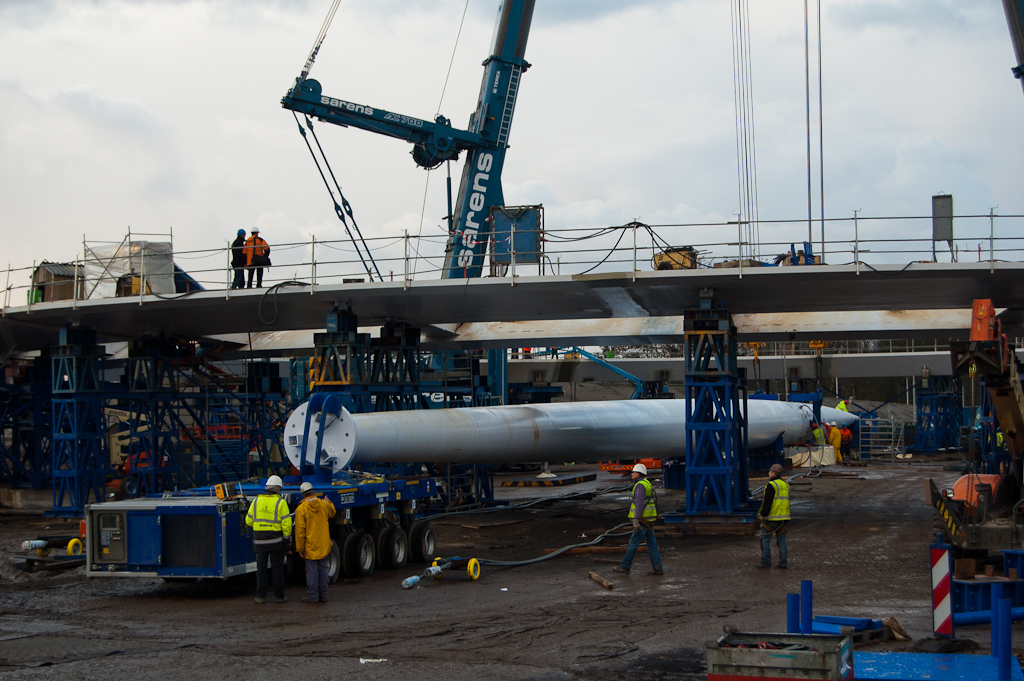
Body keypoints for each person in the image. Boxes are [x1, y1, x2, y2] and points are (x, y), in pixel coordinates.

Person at [246, 475, 292, 603]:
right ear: (277, 489)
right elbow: (287, 525)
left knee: (261, 569)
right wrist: (286, 540)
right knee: (277, 568)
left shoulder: (256, 501)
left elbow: (248, 520)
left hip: (259, 542)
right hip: (276, 541)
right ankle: (279, 596)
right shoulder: (280, 502)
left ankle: (261, 596)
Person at [613, 463, 664, 576]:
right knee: (652, 544)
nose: (632, 474)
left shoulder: (640, 486)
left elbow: (640, 504)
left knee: (633, 542)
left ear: (639, 473)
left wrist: (636, 520)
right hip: (649, 519)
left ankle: (625, 566)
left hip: (643, 520)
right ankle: (658, 568)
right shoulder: (647, 483)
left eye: (634, 472)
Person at [294, 481, 337, 604]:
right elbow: (332, 512)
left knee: (312, 572)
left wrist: (300, 548)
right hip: (323, 543)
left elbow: (300, 532)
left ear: (303, 495)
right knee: (322, 569)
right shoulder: (323, 505)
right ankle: (324, 595)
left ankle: (313, 596)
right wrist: (328, 502)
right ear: (313, 491)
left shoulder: (301, 509)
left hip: (310, 545)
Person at [757, 463, 790, 569]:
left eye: (770, 471)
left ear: (774, 473)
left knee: (765, 539)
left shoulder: (771, 485)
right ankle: (783, 563)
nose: (768, 473)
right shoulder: (786, 485)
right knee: (782, 541)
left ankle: (766, 562)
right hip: (783, 519)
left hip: (771, 518)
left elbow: (767, 502)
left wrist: (763, 515)